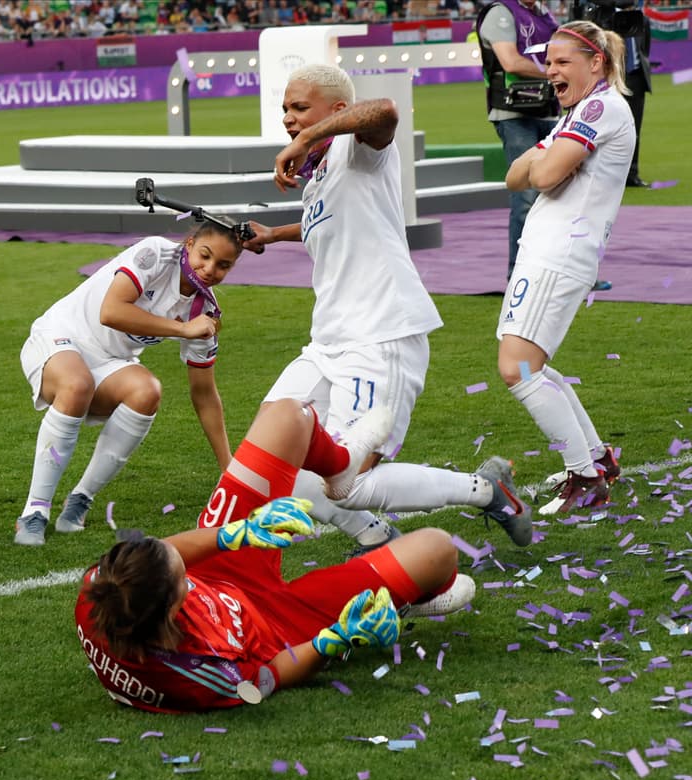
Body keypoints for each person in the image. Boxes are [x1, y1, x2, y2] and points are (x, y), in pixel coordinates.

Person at [243, 65, 535, 554]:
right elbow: (333, 224)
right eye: (286, 111)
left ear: (336, 112)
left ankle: (486, 490)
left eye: (299, 108)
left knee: (348, 483)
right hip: (328, 343)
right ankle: (377, 540)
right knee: (272, 447)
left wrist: (306, 137)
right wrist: (273, 235)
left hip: (382, 337)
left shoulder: (359, 149)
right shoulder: (322, 172)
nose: (289, 120)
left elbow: (386, 110)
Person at [75, 398, 475, 713]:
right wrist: (334, 641)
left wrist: (237, 534)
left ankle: (341, 468)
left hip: (222, 574)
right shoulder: (199, 676)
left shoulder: (106, 582)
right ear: (172, 610)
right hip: (276, 630)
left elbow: (169, 554)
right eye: (182, 581)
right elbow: (271, 676)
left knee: (288, 415)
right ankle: (402, 601)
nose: (182, 569)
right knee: (437, 551)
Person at [14, 222, 243, 546]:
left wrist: (227, 467)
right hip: (58, 336)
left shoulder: (205, 311)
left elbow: (204, 394)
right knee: (77, 384)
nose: (209, 270)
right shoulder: (155, 253)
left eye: (223, 266)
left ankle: (80, 500)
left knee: (147, 391)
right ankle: (33, 512)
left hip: (109, 361)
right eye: (204, 256)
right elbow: (111, 312)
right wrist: (182, 330)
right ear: (189, 244)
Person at [498, 20, 634, 514]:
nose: (550, 71)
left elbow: (546, 173)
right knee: (533, 366)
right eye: (549, 61)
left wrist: (547, 162)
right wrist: (547, 161)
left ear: (596, 62)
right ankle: (597, 459)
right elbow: (516, 176)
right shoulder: (577, 112)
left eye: (561, 62)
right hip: (548, 251)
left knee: (518, 369)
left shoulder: (598, 106)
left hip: (559, 253)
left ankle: (586, 478)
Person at [476, 0, 561, 282]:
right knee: (526, 195)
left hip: (547, 108)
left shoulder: (542, 13)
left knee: (558, 194)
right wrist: (557, 71)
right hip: (513, 112)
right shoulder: (502, 12)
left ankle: (557, 270)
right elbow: (510, 61)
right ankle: (520, 275)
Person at [621, 2, 652, 188]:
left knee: (634, 129)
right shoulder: (608, 19)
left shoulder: (643, 20)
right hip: (615, 79)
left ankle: (632, 174)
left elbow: (644, 49)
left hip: (637, 78)